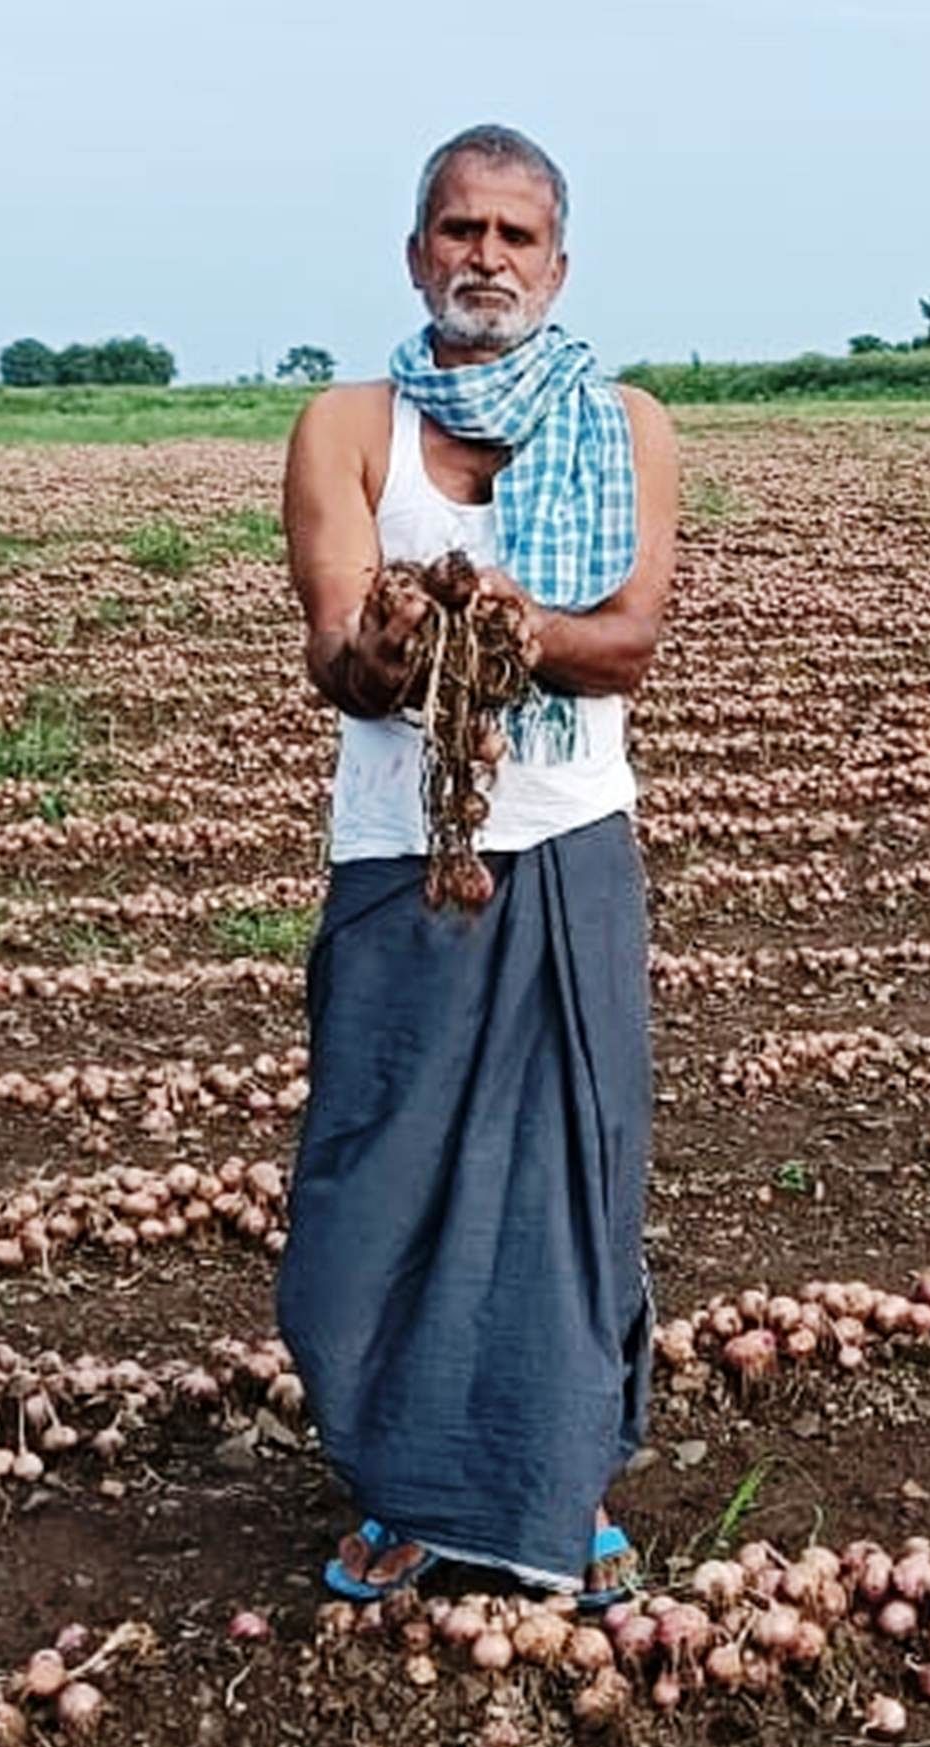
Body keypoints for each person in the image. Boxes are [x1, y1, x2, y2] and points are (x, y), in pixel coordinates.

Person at [275, 123, 677, 1605]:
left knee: (569, 1181)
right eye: (460, 231)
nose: (485, 260)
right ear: (415, 252)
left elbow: (627, 641)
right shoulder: (348, 423)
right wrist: (391, 647)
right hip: (404, 854)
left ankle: (559, 1485)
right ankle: (398, 1486)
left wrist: (516, 628)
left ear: (558, 265)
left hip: (567, 845)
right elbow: (339, 650)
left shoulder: (624, 420)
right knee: (373, 1179)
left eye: (515, 236)